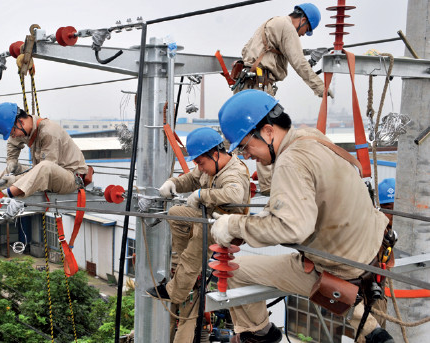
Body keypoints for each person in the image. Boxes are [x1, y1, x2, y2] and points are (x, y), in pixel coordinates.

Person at [211, 90, 394, 343]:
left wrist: (234, 225)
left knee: (235, 270)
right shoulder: (311, 137)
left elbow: (292, 229)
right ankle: (369, 326)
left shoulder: (290, 161)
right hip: (373, 253)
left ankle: (258, 334)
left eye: (245, 147)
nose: (247, 156)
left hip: (340, 266)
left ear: (267, 131)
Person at [146, 127, 251, 343]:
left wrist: (203, 194)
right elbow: (191, 179)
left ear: (215, 154)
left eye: (201, 162)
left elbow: (234, 193)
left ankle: (177, 291)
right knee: (176, 214)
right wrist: (173, 183)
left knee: (200, 231)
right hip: (211, 218)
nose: (199, 167)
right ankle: (185, 274)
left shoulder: (233, 172)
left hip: (228, 226)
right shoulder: (208, 166)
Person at [233, 3, 331, 196]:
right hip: (260, 85)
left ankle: (238, 177)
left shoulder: (270, 23)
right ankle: (269, 187)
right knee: (268, 134)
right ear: (303, 19)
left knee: (247, 133)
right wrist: (320, 88)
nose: (303, 34)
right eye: (306, 30)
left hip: (248, 84)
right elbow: (298, 62)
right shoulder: (287, 27)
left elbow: (246, 51)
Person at [0, 102, 93, 201]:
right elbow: (13, 143)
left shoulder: (49, 132)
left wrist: (14, 180)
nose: (14, 136)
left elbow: (47, 169)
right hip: (46, 172)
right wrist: (11, 162)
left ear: (21, 122)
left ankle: (5, 195)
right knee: (15, 168)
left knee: (44, 166)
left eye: (12, 133)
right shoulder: (23, 129)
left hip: (71, 179)